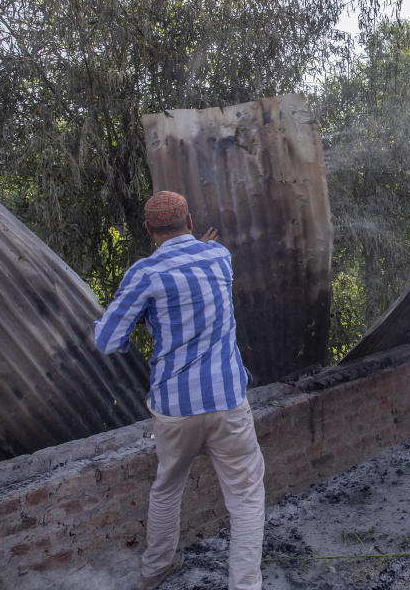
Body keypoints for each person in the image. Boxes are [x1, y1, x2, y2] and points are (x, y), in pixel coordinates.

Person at [94, 191, 265, 590]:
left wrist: (140, 316)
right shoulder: (219, 256)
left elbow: (107, 342)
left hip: (174, 405)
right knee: (245, 499)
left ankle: (155, 570)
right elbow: (202, 266)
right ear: (189, 221)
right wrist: (201, 246)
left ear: (149, 229)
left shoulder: (145, 273)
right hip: (227, 400)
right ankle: (245, 585)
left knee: (167, 487)